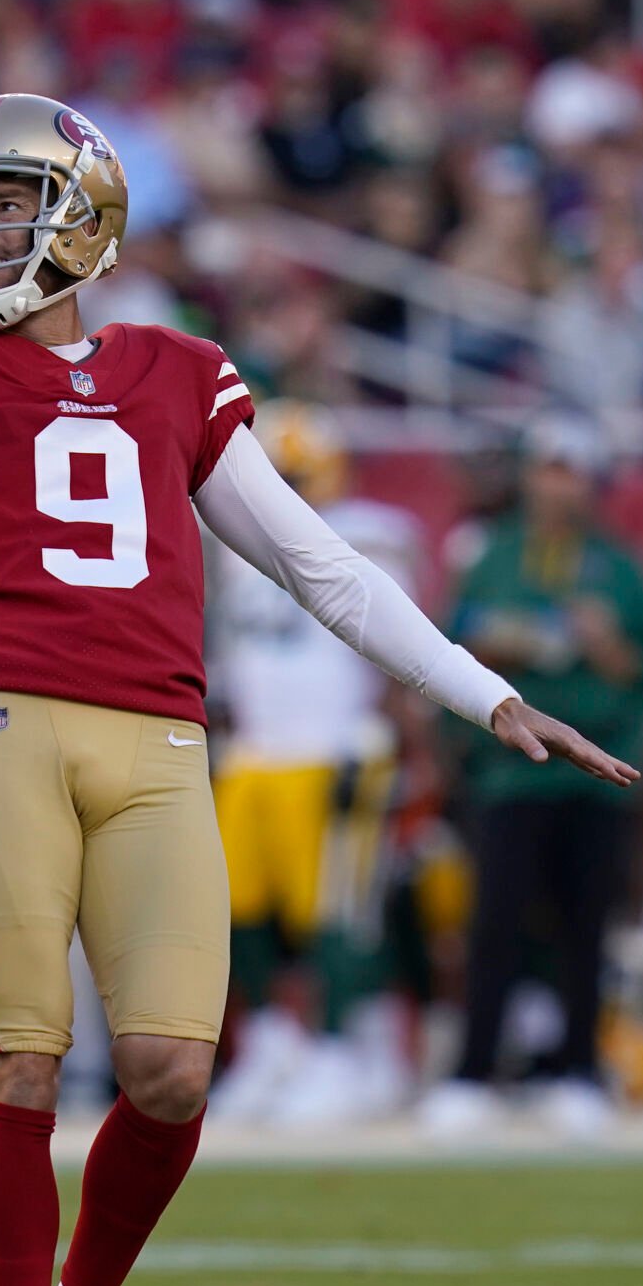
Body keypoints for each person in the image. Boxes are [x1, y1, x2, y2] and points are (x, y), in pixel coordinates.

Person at [0, 91, 637, 1286]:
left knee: (174, 1073)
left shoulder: (176, 371)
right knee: (15, 1065)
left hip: (159, 740)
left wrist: (480, 691)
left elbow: (321, 567)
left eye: (6, 203)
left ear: (81, 215)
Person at [421, 418, 643, 1139]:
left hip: (595, 778)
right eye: (545, 469)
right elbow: (448, 642)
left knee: (583, 928)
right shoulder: (494, 554)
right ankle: (473, 1074)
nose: (554, 485)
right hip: (508, 776)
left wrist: (606, 646)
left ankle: (577, 1072)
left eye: (567, 471)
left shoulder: (620, 566)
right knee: (492, 926)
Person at [211, 404, 421, 1124]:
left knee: (336, 914)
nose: (284, 487)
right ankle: (276, 1046)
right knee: (239, 908)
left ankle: (340, 1055)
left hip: (335, 744)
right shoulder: (232, 539)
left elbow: (399, 642)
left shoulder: (367, 532)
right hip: (257, 752)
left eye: (295, 474)